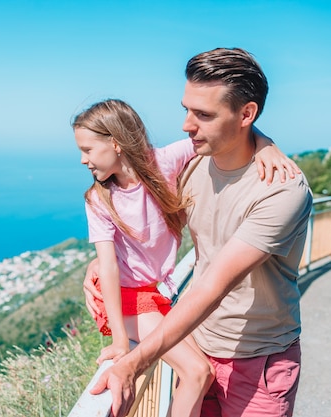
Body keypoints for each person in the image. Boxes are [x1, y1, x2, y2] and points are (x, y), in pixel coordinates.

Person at [83, 48, 313, 417]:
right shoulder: (192, 163)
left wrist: (132, 362)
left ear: (247, 114)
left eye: (203, 115)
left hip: (259, 362)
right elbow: (137, 208)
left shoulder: (281, 189)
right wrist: (101, 261)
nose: (187, 125)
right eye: (186, 109)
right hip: (197, 343)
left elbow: (212, 287)